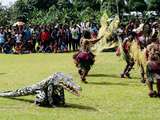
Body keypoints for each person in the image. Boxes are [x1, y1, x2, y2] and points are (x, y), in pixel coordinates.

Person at [145, 32, 160, 97]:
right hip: (157, 64)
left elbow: (145, 55)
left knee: (149, 78)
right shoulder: (158, 46)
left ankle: (151, 90)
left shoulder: (148, 46)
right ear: (157, 39)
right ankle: (159, 91)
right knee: (158, 78)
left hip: (149, 64)